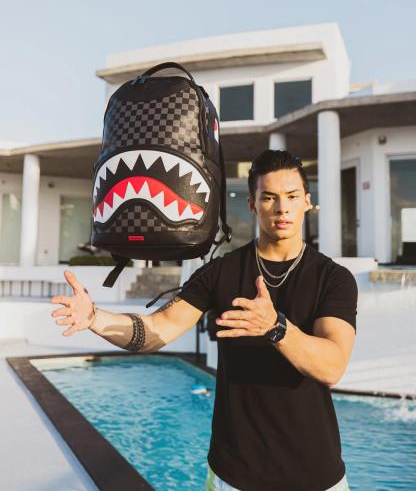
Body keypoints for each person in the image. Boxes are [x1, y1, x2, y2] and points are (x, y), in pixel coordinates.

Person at [50, 150, 357, 491]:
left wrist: (276, 328)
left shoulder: (333, 278)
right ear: (253, 205)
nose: (282, 208)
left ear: (307, 202)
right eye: (269, 197)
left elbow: (332, 367)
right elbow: (156, 330)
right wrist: (95, 318)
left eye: (292, 196)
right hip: (233, 474)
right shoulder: (221, 272)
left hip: (315, 476)